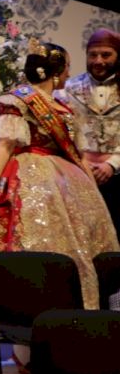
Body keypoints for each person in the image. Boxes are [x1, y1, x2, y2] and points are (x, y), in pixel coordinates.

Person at [0, 40, 119, 323]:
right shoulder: (18, 100)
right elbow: (5, 146)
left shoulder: (62, 106)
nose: (69, 74)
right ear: (55, 72)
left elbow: (75, 151)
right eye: (67, 68)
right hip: (25, 174)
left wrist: (90, 185)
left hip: (65, 180)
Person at [57, 28, 120, 235]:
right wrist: (80, 162)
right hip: (79, 172)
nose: (98, 61)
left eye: (106, 55)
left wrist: (112, 164)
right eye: (93, 55)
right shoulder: (68, 89)